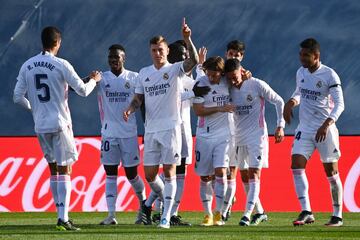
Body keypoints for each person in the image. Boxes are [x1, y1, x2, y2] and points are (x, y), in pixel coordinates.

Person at [13, 26, 101, 231]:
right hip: (60, 123)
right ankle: (63, 218)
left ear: (42, 42)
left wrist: (34, 108)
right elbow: (82, 90)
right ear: (58, 43)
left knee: (53, 169)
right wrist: (94, 81)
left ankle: (60, 214)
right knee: (65, 169)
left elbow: (17, 97)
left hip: (40, 125)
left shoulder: (28, 65)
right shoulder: (61, 64)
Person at [123, 18, 198, 229]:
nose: (158, 53)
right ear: (150, 51)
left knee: (170, 172)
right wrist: (130, 108)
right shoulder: (144, 73)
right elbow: (139, 98)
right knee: (150, 175)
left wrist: (187, 38)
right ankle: (163, 203)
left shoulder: (175, 69)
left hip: (171, 128)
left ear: (167, 51)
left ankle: (165, 217)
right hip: (151, 130)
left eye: (161, 49)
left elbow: (192, 61)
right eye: (154, 50)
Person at [283, 38, 345, 227]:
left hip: (325, 129)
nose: (301, 58)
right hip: (305, 127)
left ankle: (337, 215)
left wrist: (326, 125)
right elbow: (300, 92)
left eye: (306, 55)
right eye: (300, 54)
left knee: (331, 172)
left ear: (316, 56)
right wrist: (291, 102)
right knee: (296, 165)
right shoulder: (301, 72)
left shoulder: (330, 75)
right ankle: (307, 211)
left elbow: (340, 104)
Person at [224, 58, 285, 226]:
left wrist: (280, 125)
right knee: (244, 176)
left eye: (235, 76)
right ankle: (260, 212)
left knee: (254, 174)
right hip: (238, 137)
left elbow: (279, 101)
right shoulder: (228, 87)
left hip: (257, 136)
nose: (233, 80)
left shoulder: (256, 84)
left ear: (241, 70)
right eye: (229, 77)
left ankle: (246, 214)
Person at [97, 44, 146, 225]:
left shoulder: (134, 77)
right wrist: (89, 79)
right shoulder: (102, 78)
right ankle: (111, 215)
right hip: (108, 134)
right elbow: (79, 86)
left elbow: (139, 100)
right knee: (110, 174)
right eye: (110, 58)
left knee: (132, 174)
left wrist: (131, 109)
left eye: (116, 58)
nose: (112, 61)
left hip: (128, 134)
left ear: (123, 59)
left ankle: (143, 207)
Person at [193, 56, 234, 226]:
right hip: (204, 135)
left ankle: (218, 213)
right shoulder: (201, 84)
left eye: (214, 76)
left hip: (224, 135)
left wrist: (246, 74)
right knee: (204, 177)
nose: (211, 78)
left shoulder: (227, 82)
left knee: (221, 172)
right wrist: (220, 108)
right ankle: (207, 214)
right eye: (209, 74)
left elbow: (239, 75)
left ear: (221, 73)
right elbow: (198, 110)